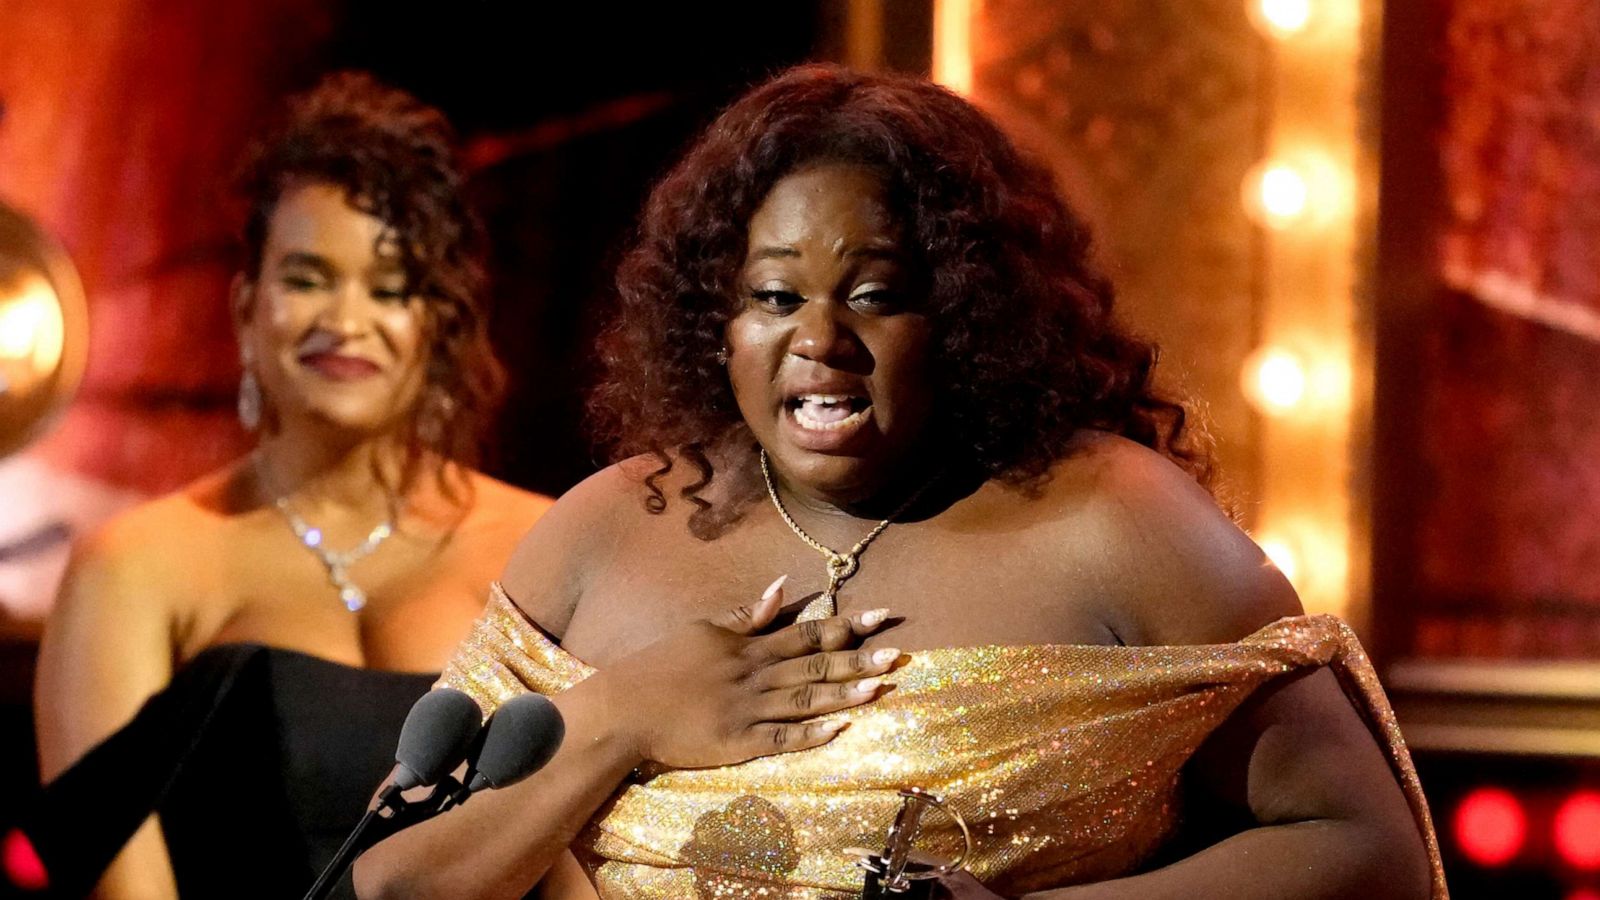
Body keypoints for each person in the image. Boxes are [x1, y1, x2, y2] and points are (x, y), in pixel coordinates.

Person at [354, 65, 1443, 900]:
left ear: (965, 313)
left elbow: (1364, 854)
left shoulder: (1116, 522)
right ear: (713, 322)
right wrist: (621, 719)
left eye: (874, 296)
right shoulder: (604, 525)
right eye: (774, 299)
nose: (818, 341)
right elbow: (390, 879)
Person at [33, 72, 552, 899]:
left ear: (441, 325)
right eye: (309, 278)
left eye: (389, 289)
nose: (346, 319)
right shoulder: (133, 567)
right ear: (247, 309)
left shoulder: (545, 547)